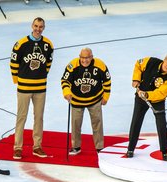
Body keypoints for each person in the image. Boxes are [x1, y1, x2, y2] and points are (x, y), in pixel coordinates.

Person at [10, 17, 54, 160]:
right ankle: (17, 147)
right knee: (21, 117)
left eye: (41, 26)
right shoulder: (21, 44)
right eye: (36, 26)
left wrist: (41, 77)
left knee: (39, 117)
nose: (38, 29)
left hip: (40, 87)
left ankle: (37, 146)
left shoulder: (48, 44)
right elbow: (13, 63)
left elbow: (48, 64)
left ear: (44, 27)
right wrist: (17, 80)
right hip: (24, 86)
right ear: (32, 26)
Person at [125, 53, 167, 161]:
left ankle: (164, 152)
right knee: (136, 122)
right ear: (164, 60)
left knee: (162, 125)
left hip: (157, 101)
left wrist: (147, 95)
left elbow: (161, 93)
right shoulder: (151, 61)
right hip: (140, 98)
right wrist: (136, 79)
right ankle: (130, 149)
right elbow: (138, 64)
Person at [61, 47, 111, 155]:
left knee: (97, 124)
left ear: (92, 57)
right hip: (77, 101)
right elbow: (65, 80)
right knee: (75, 125)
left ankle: (99, 147)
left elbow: (107, 81)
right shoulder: (72, 65)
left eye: (87, 57)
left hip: (95, 100)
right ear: (79, 57)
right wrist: (66, 92)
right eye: (83, 58)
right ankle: (76, 147)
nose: (85, 60)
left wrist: (106, 97)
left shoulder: (100, 65)